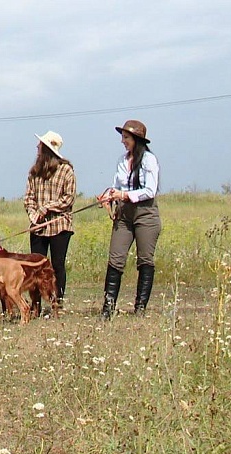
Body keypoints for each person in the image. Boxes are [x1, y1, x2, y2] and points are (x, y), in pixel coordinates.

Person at [97, 119, 161, 319]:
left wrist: (124, 196)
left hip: (145, 212)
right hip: (124, 213)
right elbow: (117, 185)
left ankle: (140, 308)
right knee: (115, 257)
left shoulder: (149, 160)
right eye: (122, 137)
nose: (123, 141)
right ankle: (108, 308)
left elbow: (150, 190)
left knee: (145, 259)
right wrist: (109, 196)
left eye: (126, 137)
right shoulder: (122, 161)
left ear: (136, 139)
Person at [24, 131, 76, 304]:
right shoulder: (34, 172)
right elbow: (28, 197)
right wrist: (33, 215)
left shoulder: (66, 170)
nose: (37, 147)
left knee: (57, 265)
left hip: (59, 225)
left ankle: (57, 301)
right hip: (38, 227)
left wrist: (47, 208)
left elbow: (68, 198)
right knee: (35, 266)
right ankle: (35, 303)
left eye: (40, 145)